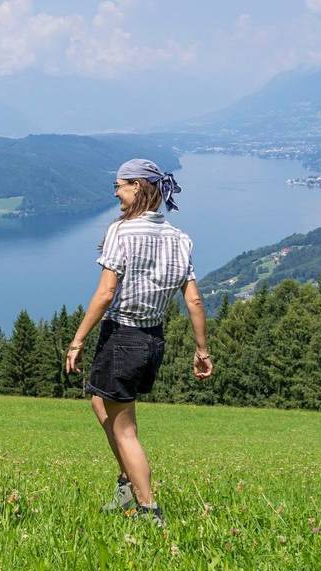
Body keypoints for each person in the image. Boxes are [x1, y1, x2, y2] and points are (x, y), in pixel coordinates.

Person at [64, 159, 214, 526]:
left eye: (119, 185)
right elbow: (193, 300)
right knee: (100, 402)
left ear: (137, 186)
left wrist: (77, 340)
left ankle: (147, 509)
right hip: (152, 339)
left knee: (124, 427)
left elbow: (105, 293)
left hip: (122, 336)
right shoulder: (180, 238)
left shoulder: (122, 231)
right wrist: (202, 350)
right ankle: (126, 482)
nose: (115, 192)